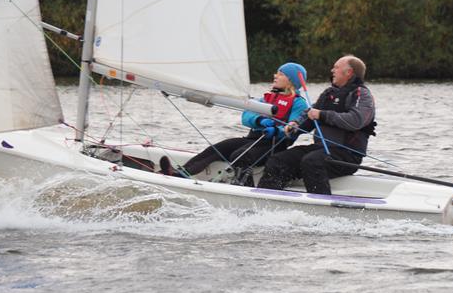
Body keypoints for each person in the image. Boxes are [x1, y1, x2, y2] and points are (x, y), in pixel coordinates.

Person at [160, 63, 310, 183]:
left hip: (273, 145)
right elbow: (246, 116)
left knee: (240, 155)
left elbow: (294, 128)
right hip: (252, 139)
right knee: (217, 148)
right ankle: (180, 174)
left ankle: (246, 189)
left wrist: (278, 130)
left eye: (280, 74)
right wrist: (260, 120)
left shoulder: (299, 104)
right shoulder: (267, 98)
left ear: (291, 80)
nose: (275, 76)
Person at [257, 55, 376, 195]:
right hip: (321, 149)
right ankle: (268, 200)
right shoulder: (328, 93)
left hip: (347, 155)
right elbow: (309, 115)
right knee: (278, 160)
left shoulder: (362, 94)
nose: (332, 70)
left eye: (336, 67)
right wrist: (295, 124)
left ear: (348, 72)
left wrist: (323, 115)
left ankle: (321, 207)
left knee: (312, 162)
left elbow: (355, 120)